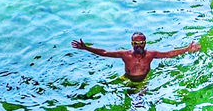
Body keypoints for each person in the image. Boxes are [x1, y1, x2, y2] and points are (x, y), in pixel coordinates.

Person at [71, 32, 201, 81]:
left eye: (141, 42)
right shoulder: (125, 55)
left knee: (138, 104)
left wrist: (187, 49)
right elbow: (104, 53)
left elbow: (168, 54)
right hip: (126, 78)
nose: (138, 45)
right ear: (131, 44)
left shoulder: (151, 54)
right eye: (135, 43)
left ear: (145, 43)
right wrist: (86, 48)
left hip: (143, 81)